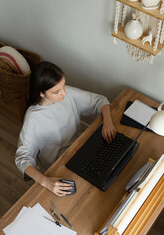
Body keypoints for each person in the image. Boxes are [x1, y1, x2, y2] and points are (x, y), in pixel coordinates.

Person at [15, 61, 117, 196]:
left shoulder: (66, 93)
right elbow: (23, 158)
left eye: (63, 86)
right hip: (60, 166)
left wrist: (108, 122)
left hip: (83, 148)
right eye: (56, 91)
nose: (63, 93)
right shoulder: (33, 118)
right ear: (42, 94)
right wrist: (45, 181)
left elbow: (100, 100)